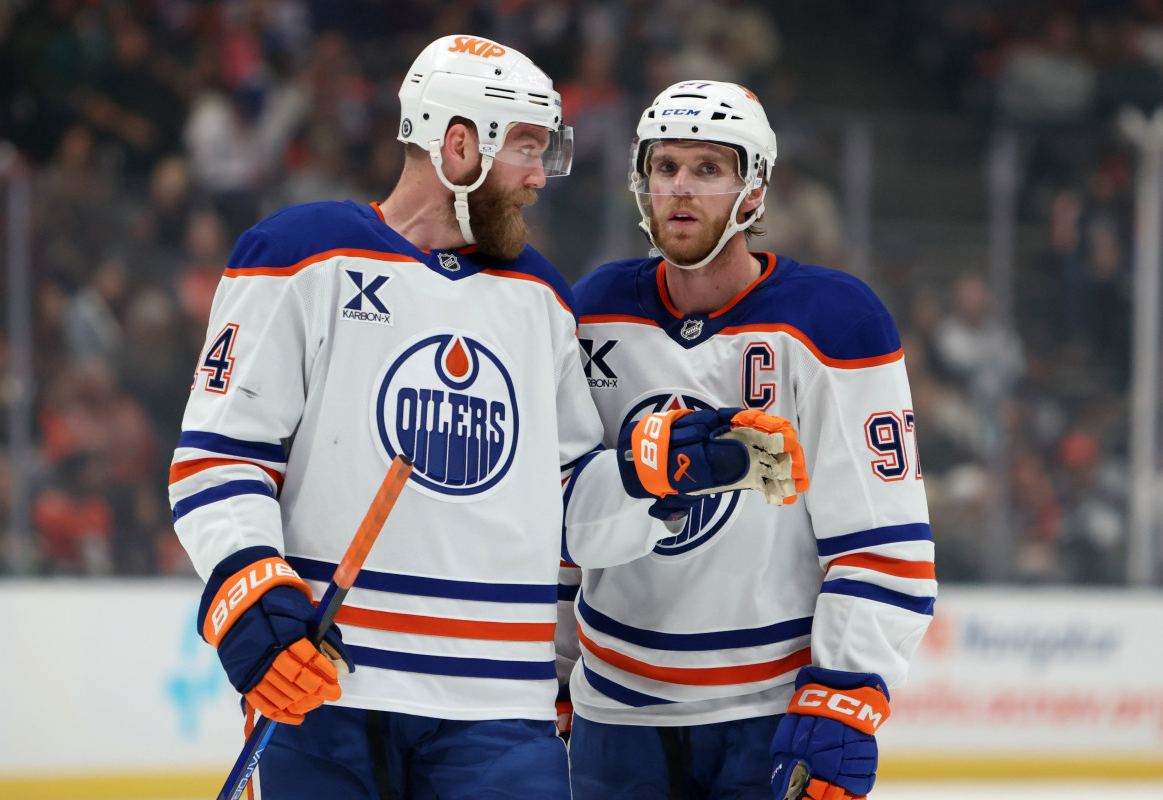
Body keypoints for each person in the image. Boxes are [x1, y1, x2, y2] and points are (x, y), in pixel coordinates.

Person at [168, 39, 800, 800]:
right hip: (333, 687)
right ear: (460, 144)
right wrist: (252, 596)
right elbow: (218, 460)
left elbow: (570, 508)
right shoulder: (297, 258)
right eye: (528, 149)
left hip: (499, 711)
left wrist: (652, 475)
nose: (540, 176)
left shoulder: (539, 296)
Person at [562, 80, 938, 800]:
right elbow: (561, 526)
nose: (680, 188)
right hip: (612, 712)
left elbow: (883, 544)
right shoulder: (592, 313)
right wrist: (547, 676)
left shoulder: (833, 322)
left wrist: (844, 695)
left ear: (754, 188)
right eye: (665, 166)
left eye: (709, 169)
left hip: (766, 712)